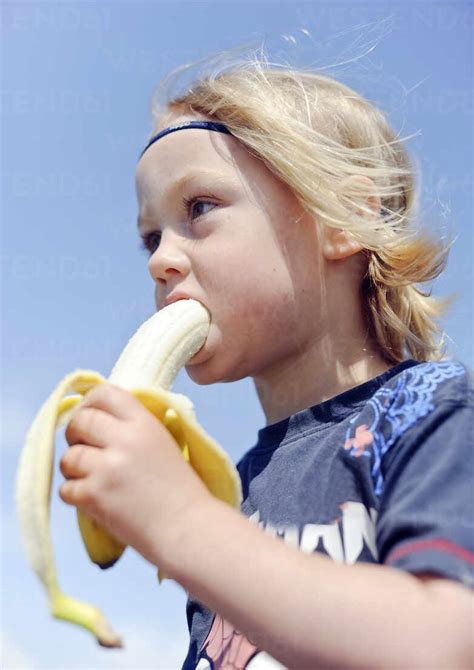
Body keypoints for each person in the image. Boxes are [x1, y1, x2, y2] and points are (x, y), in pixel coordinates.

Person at [59, 51, 473, 669]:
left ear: (345, 218)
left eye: (198, 207)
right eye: (151, 236)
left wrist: (183, 525)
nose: (159, 259)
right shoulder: (233, 492)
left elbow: (443, 644)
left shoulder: (434, 415)